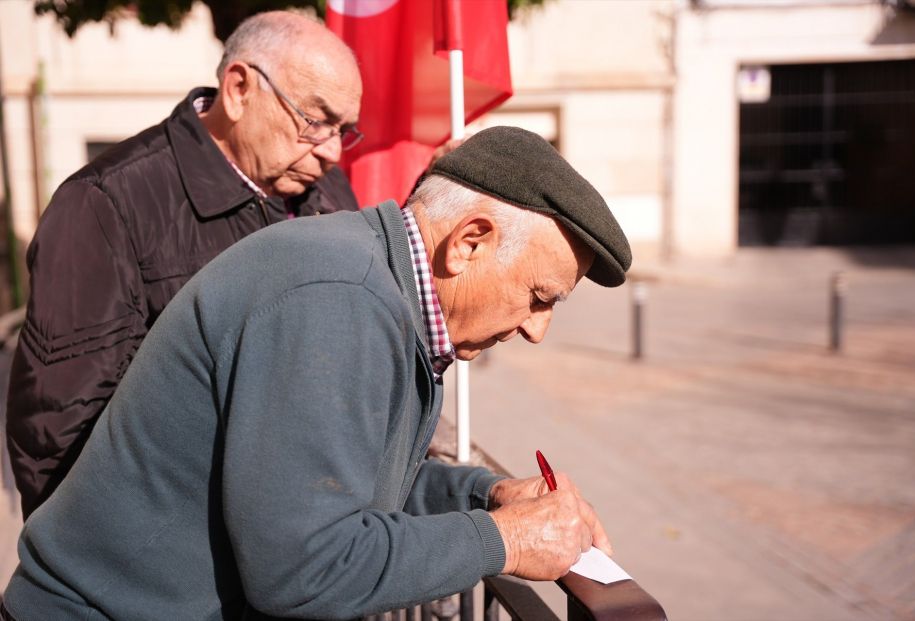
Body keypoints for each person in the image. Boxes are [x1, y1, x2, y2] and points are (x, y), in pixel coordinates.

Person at [1, 126, 633, 620]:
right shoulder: (340, 299)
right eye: (540, 296)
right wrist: (505, 542)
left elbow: (329, 486)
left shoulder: (368, 280)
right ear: (469, 241)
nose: (536, 329)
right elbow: (304, 568)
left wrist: (481, 496)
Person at [5, 11, 364, 517]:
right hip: (169, 564)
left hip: (298, 544)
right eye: (315, 121)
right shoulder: (106, 203)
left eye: (344, 130)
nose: (331, 150)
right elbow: (57, 431)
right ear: (239, 89)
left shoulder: (326, 189)